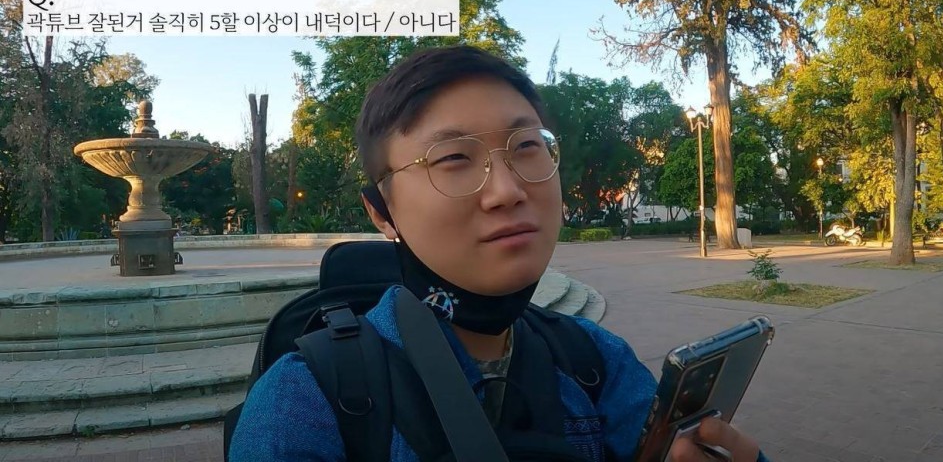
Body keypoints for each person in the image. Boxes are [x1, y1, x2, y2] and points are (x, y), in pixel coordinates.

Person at [229, 45, 769, 462]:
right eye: (452, 158)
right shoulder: (306, 401)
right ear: (381, 211)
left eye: (527, 146)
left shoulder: (595, 362)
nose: (508, 190)